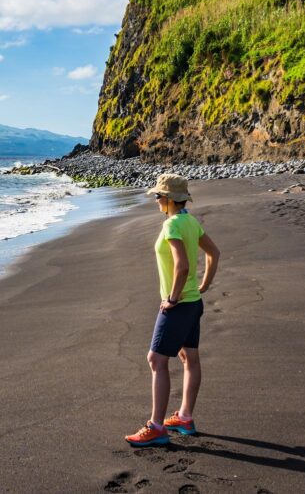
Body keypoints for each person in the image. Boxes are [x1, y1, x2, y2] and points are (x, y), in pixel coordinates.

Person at [126, 173, 220, 447]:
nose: (155, 201)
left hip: (179, 304)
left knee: (156, 360)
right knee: (190, 357)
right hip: (193, 303)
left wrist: (172, 298)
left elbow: (182, 266)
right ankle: (185, 417)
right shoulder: (191, 221)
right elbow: (214, 253)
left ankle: (156, 426)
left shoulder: (172, 226)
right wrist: (203, 286)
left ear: (168, 200)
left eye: (158, 196)